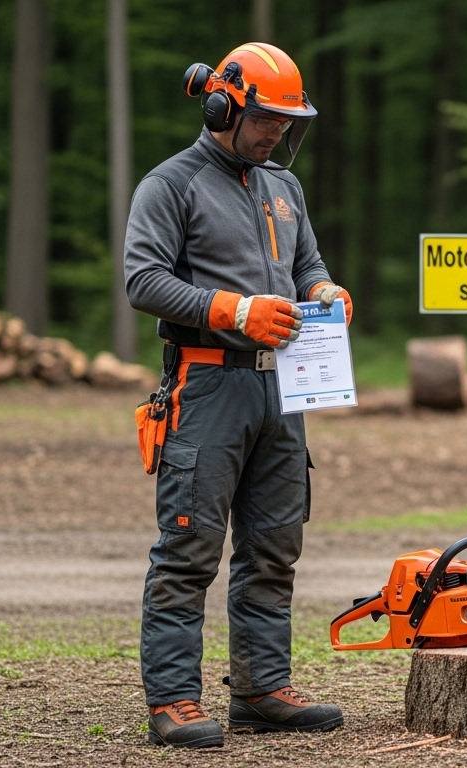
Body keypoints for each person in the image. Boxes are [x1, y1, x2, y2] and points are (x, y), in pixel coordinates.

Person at [123, 42, 353, 749]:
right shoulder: (171, 184)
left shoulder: (284, 187)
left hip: (280, 387)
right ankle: (173, 699)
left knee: (274, 546)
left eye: (286, 121)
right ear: (222, 108)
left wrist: (323, 291)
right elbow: (143, 280)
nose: (275, 132)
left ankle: (261, 688)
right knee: (189, 547)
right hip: (207, 386)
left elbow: (306, 263)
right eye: (265, 119)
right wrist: (232, 309)